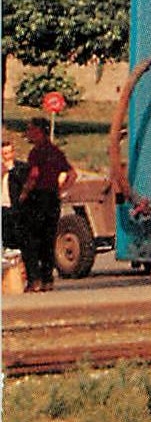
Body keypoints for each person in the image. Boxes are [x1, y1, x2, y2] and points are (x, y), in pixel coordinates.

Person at [16, 118, 73, 292]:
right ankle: (48, 279)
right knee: (48, 239)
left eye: (31, 130)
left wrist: (23, 194)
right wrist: (60, 190)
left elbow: (34, 175)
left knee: (30, 239)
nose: (28, 133)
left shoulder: (36, 152)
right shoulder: (56, 151)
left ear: (39, 131)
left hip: (37, 198)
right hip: (52, 199)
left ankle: (35, 280)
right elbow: (72, 173)